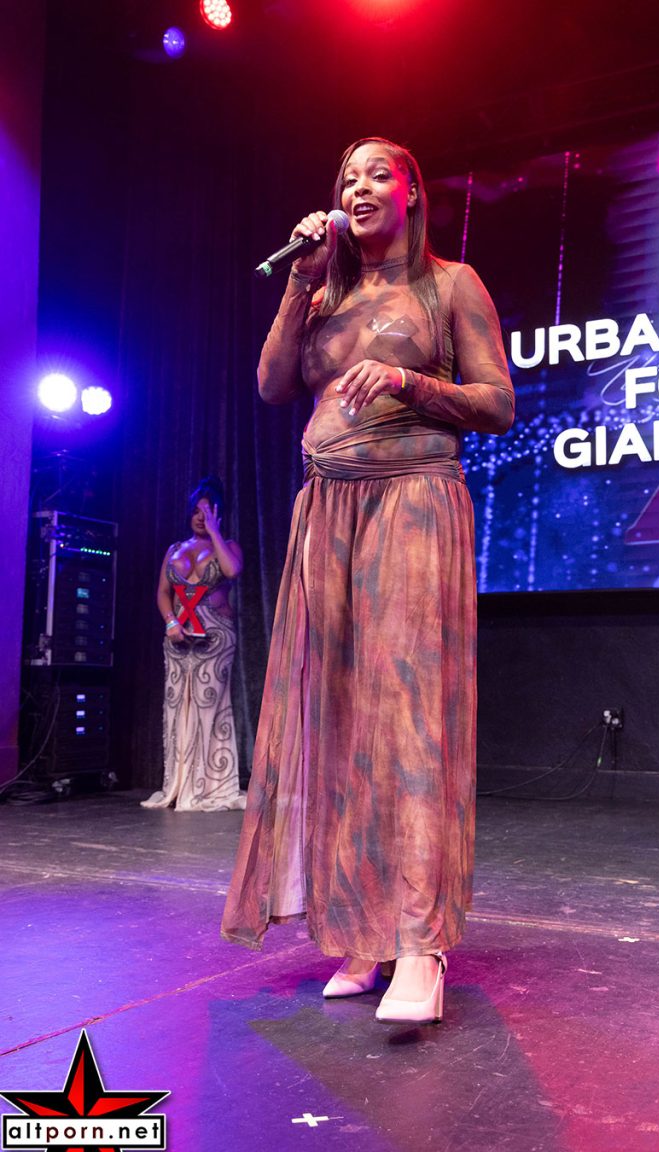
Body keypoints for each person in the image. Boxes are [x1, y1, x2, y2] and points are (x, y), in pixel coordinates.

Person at [222, 138, 514, 1023]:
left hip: (413, 500)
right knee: (340, 722)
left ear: (412, 192)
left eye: (377, 174)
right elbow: (273, 384)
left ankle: (422, 944)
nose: (358, 188)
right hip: (327, 509)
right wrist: (299, 283)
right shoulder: (324, 293)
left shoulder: (450, 285)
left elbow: (498, 403)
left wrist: (406, 380)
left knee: (409, 720)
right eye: (347, 177)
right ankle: (363, 929)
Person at [142, 476, 246, 812]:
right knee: (178, 708)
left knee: (207, 706)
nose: (201, 517)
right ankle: (179, 783)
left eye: (208, 512)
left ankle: (207, 785)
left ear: (219, 513)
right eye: (197, 512)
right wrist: (170, 622)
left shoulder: (228, 545)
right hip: (178, 636)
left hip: (215, 636)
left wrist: (215, 532)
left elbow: (231, 571)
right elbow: (162, 593)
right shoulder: (174, 549)